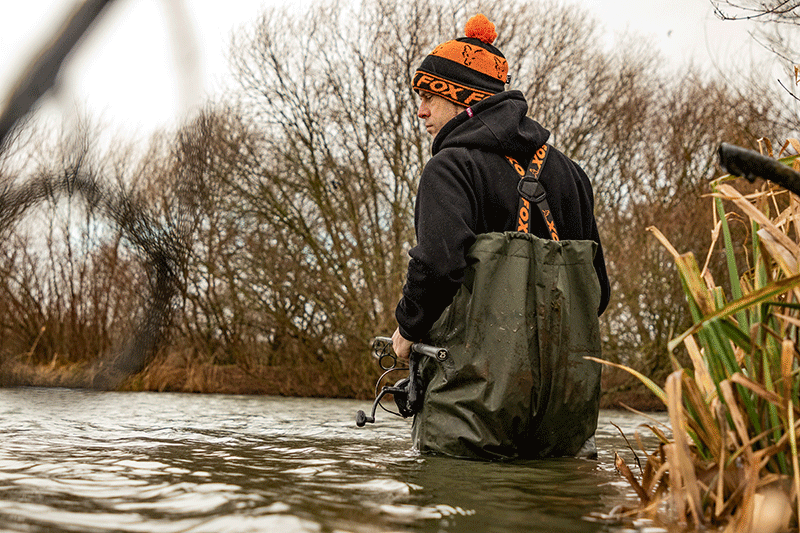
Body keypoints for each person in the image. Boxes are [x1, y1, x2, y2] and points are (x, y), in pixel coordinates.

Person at [391, 14, 611, 460]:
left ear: (465, 101)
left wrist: (407, 328)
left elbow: (437, 265)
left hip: (472, 413)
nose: (421, 110)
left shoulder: (450, 167)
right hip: (564, 416)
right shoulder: (572, 176)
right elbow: (598, 293)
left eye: (430, 96)